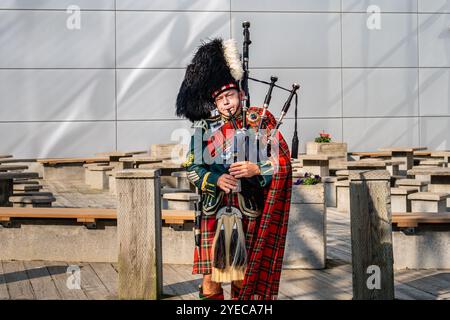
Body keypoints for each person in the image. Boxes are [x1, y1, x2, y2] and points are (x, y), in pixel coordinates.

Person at [176, 38, 292, 300]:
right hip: (212, 211)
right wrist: (215, 180)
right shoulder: (203, 129)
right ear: (214, 104)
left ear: (240, 95)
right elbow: (192, 167)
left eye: (230, 96)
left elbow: (281, 162)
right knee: (210, 279)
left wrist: (255, 168)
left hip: (247, 208)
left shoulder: (258, 122)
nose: (226, 103)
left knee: (242, 278)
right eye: (220, 99)